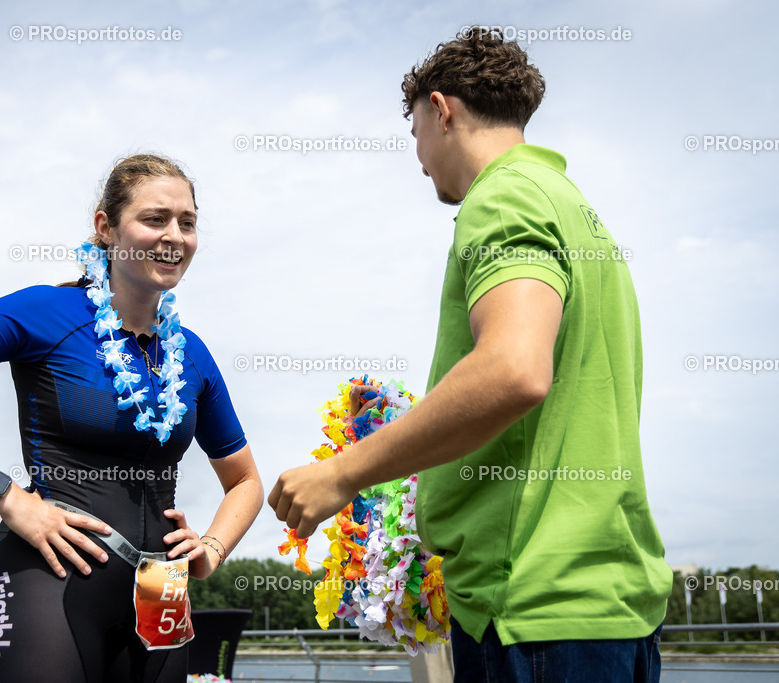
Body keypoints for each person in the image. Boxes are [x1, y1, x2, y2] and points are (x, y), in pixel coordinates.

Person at [268, 27, 671, 682]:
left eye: (415, 136)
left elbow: (513, 369)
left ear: (442, 110)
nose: (420, 159)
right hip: (605, 606)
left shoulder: (502, 198)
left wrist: (342, 473)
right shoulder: (574, 209)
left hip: (531, 609)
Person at [0, 153, 263, 682]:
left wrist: (212, 547)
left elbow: (245, 480)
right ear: (105, 228)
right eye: (155, 219)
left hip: (163, 590)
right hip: (50, 578)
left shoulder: (192, 355)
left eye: (188, 222)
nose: (174, 236)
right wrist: (6, 496)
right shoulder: (43, 314)